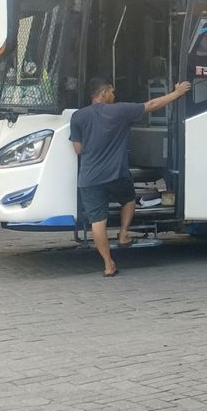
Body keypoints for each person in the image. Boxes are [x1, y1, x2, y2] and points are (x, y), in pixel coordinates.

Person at [69, 76, 191, 277]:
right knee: (128, 199)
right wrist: (177, 94)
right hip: (116, 174)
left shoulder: (78, 117)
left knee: (98, 222)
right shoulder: (120, 110)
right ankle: (124, 234)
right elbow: (152, 104)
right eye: (112, 92)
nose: (114, 95)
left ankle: (108, 264)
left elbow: (78, 149)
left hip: (89, 178)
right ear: (104, 93)